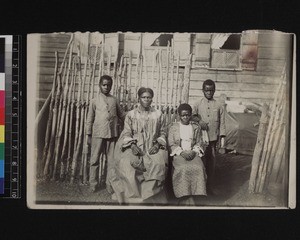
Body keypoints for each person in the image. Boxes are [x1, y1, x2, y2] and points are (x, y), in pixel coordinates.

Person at [108, 87, 168, 204]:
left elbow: (163, 131)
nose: (146, 100)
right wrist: (132, 146)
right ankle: (133, 197)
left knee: (158, 164)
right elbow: (127, 132)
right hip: (134, 146)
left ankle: (149, 195)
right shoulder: (131, 115)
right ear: (139, 98)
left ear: (152, 99)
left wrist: (157, 145)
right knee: (126, 164)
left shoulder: (158, 114)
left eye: (149, 97)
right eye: (143, 97)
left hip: (152, 147)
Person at [86, 75, 126, 193]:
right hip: (98, 133)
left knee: (112, 161)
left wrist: (131, 117)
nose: (106, 87)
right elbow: (90, 118)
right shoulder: (94, 101)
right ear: (100, 85)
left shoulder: (114, 100)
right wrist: (88, 134)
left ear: (111, 86)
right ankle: (93, 183)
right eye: (104, 85)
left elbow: (121, 114)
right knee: (94, 159)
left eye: (108, 85)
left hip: (112, 134)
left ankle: (110, 184)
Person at [168, 103, 207, 205]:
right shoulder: (174, 127)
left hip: (193, 152)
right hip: (180, 153)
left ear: (190, 115)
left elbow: (199, 142)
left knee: (198, 167)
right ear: (179, 115)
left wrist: (194, 151)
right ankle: (183, 196)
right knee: (182, 168)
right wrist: (181, 152)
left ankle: (194, 194)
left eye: (187, 115)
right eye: (183, 115)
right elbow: (171, 143)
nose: (185, 117)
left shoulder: (195, 127)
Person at [192, 79, 226, 195]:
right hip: (200, 140)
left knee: (211, 163)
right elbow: (191, 116)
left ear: (214, 91)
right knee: (200, 161)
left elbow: (222, 123)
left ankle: (210, 186)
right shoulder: (197, 104)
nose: (209, 92)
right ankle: (199, 187)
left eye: (211, 90)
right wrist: (199, 120)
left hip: (212, 140)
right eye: (207, 90)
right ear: (203, 90)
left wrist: (222, 141)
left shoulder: (219, 105)